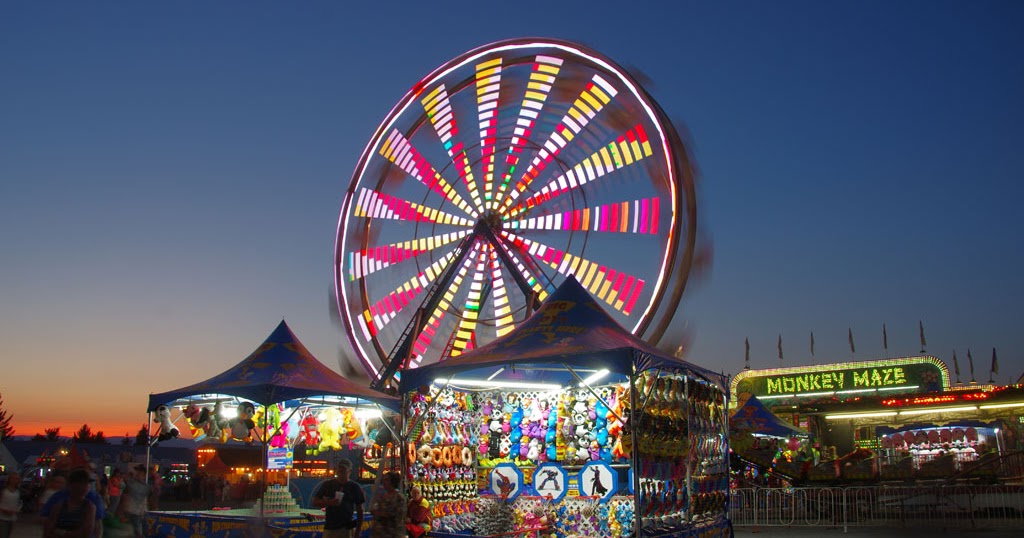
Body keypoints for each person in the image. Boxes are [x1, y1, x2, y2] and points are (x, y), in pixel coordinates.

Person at [313, 460, 365, 538]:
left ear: (349, 472)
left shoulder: (354, 487)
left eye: (344, 471)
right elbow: (315, 502)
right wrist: (329, 502)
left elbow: (360, 509)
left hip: (347, 527)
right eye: (340, 471)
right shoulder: (328, 485)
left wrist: (358, 530)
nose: (341, 474)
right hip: (330, 527)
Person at [43, 469, 96, 538]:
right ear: (71, 485)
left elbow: (86, 532)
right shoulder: (59, 506)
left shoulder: (89, 507)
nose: (87, 486)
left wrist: (62, 533)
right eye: (82, 483)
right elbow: (47, 531)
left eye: (88, 483)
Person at [369, 472, 405, 538]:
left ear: (392, 482)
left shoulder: (398, 497)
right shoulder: (383, 496)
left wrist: (379, 513)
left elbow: (395, 514)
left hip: (392, 533)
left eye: (386, 480)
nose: (384, 482)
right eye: (383, 480)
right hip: (380, 533)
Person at [119, 465, 150, 538]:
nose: (137, 473)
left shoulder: (145, 486)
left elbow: (145, 500)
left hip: (137, 513)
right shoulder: (131, 483)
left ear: (143, 474)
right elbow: (123, 494)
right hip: (130, 511)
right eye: (137, 472)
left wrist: (144, 510)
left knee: (138, 532)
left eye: (139, 472)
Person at [0, 472, 22, 538]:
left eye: (17, 479)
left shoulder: (18, 491)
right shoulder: (3, 490)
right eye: (13, 478)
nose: (15, 480)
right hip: (2, 517)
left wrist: (17, 509)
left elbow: (19, 503)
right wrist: (4, 510)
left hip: (12, 517)